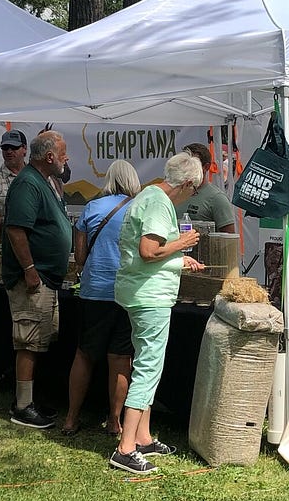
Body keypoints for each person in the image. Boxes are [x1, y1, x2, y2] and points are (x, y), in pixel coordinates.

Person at [110, 152, 206, 474]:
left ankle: (143, 437)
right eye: (194, 190)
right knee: (149, 367)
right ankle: (125, 448)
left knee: (146, 362)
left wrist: (178, 260)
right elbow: (149, 251)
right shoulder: (158, 202)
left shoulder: (149, 195)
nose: (192, 195)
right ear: (189, 183)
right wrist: (182, 244)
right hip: (149, 298)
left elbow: (147, 254)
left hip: (141, 292)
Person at [62, 160, 142, 437]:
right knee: (120, 358)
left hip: (93, 290)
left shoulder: (92, 207)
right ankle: (114, 420)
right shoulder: (138, 208)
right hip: (125, 292)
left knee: (84, 354)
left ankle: (71, 418)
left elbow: (80, 256)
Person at [1, 130, 71, 430]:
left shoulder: (45, 181)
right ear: (50, 156)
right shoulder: (27, 183)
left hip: (46, 276)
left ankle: (29, 399)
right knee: (28, 341)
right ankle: (23, 405)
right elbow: (16, 230)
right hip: (33, 277)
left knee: (40, 339)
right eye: (64, 153)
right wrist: (29, 268)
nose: (67, 159)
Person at [175, 141, 236, 234]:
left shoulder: (217, 198)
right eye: (185, 163)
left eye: (194, 165)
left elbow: (229, 239)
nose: (187, 168)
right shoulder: (174, 193)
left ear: (206, 167)